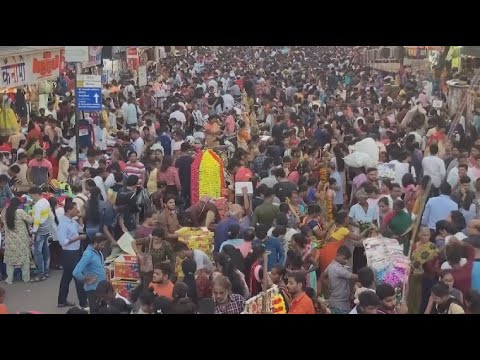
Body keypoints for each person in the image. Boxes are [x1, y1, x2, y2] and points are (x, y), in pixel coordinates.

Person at [57, 201, 89, 309]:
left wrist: (80, 218)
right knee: (78, 276)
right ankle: (83, 302)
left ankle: (61, 300)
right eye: (75, 209)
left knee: (66, 277)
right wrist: (77, 238)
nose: (77, 211)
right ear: (69, 210)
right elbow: (63, 241)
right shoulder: (63, 224)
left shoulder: (72, 221)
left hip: (76, 251)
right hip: (69, 253)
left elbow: (80, 229)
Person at [408, 226, 440, 314]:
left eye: (427, 235)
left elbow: (436, 266)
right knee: (413, 297)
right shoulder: (414, 246)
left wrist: (428, 261)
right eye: (424, 235)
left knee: (424, 299)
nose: (426, 237)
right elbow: (409, 261)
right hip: (415, 278)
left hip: (428, 278)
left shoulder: (432, 248)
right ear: (419, 235)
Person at [72, 235, 109, 314]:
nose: (103, 246)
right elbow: (76, 272)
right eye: (102, 245)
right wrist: (85, 280)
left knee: (103, 310)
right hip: (93, 289)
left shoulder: (98, 252)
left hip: (102, 288)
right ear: (95, 243)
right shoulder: (88, 254)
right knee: (95, 310)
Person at [1, 197, 33, 284]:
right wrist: (30, 213)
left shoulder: (4, 212)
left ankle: (9, 279)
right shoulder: (20, 212)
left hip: (10, 241)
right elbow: (30, 220)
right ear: (19, 204)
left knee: (10, 261)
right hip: (21, 240)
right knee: (24, 260)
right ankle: (26, 278)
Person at [320, 246, 358, 314]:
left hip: (337, 300)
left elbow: (323, 276)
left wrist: (328, 285)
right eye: (344, 258)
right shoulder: (337, 269)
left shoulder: (331, 265)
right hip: (339, 303)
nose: (346, 261)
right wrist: (365, 276)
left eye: (347, 259)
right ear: (337, 255)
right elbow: (353, 277)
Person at [29, 186, 52, 282]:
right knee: (45, 250)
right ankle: (46, 271)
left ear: (35, 194)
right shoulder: (45, 201)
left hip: (40, 230)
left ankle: (41, 273)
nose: (31, 197)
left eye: (31, 196)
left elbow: (37, 221)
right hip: (46, 229)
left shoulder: (38, 205)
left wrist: (33, 233)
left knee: (38, 252)